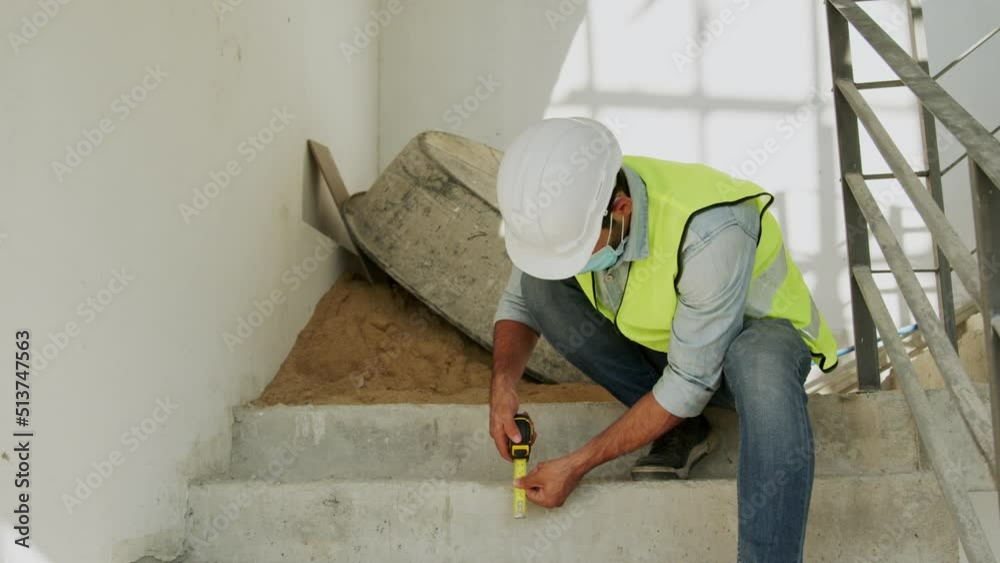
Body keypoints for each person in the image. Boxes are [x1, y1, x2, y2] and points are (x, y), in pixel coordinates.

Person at [489, 117, 838, 562]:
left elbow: (691, 381)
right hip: (677, 350)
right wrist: (502, 387)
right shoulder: (572, 204)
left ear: (621, 209)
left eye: (575, 254)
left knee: (760, 364)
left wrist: (578, 464)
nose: (571, 264)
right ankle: (685, 429)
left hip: (753, 349)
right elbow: (520, 299)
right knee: (541, 287)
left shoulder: (711, 227)